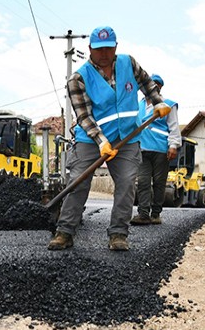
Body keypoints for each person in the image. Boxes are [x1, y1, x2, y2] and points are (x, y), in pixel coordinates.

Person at [48, 26, 170, 251]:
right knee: (78, 182)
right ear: (90, 49)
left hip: (127, 138)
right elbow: (84, 116)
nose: (103, 54)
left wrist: (158, 101)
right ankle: (64, 231)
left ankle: (118, 234)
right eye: (98, 49)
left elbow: (147, 83)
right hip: (90, 139)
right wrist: (101, 141)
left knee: (126, 184)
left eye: (108, 48)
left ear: (115, 47)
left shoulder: (128, 63)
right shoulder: (78, 79)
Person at [130, 74, 181, 225]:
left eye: (156, 85)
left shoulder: (168, 105)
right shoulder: (137, 105)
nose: (153, 87)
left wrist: (173, 146)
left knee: (159, 182)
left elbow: (174, 127)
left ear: (160, 88)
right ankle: (143, 213)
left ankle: (156, 213)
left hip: (160, 149)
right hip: (142, 148)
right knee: (144, 181)